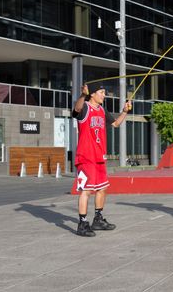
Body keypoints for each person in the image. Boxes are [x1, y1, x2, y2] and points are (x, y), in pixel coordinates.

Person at [73, 82, 132, 237]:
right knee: (86, 190)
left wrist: (124, 112)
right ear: (92, 94)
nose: (104, 95)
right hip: (86, 156)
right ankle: (82, 223)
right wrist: (82, 94)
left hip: (99, 156)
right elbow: (76, 110)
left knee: (102, 188)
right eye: (102, 92)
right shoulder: (85, 107)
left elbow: (116, 124)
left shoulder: (101, 110)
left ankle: (97, 219)